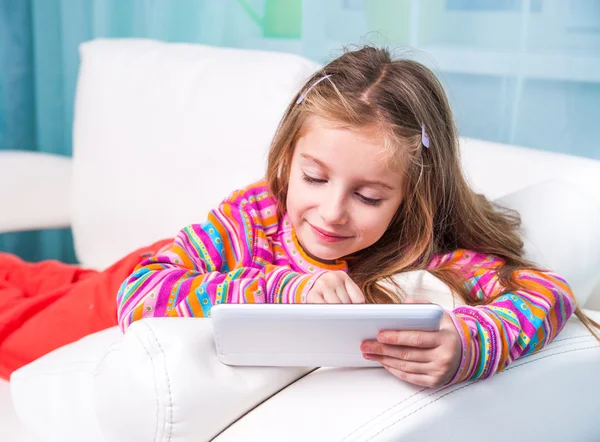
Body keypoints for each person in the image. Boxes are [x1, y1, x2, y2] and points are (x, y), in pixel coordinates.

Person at [1, 46, 598, 386]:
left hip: (141, 278)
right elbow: (140, 290)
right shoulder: (258, 212)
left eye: (369, 197)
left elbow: (547, 291)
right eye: (313, 178)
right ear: (288, 160)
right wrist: (290, 288)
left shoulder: (426, 251)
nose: (331, 213)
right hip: (134, 282)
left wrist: (470, 342)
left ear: (413, 195)